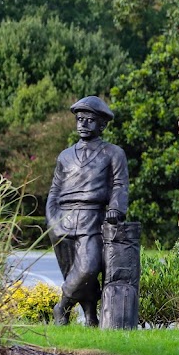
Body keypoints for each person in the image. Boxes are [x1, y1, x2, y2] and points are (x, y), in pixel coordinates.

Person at [47, 96, 129, 326]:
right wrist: (51, 219)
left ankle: (61, 307)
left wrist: (116, 208)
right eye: (80, 119)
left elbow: (120, 184)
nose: (83, 124)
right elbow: (54, 190)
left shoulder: (113, 153)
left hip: (92, 217)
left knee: (89, 267)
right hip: (62, 219)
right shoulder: (65, 155)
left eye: (89, 120)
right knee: (74, 270)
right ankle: (91, 317)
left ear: (102, 125)